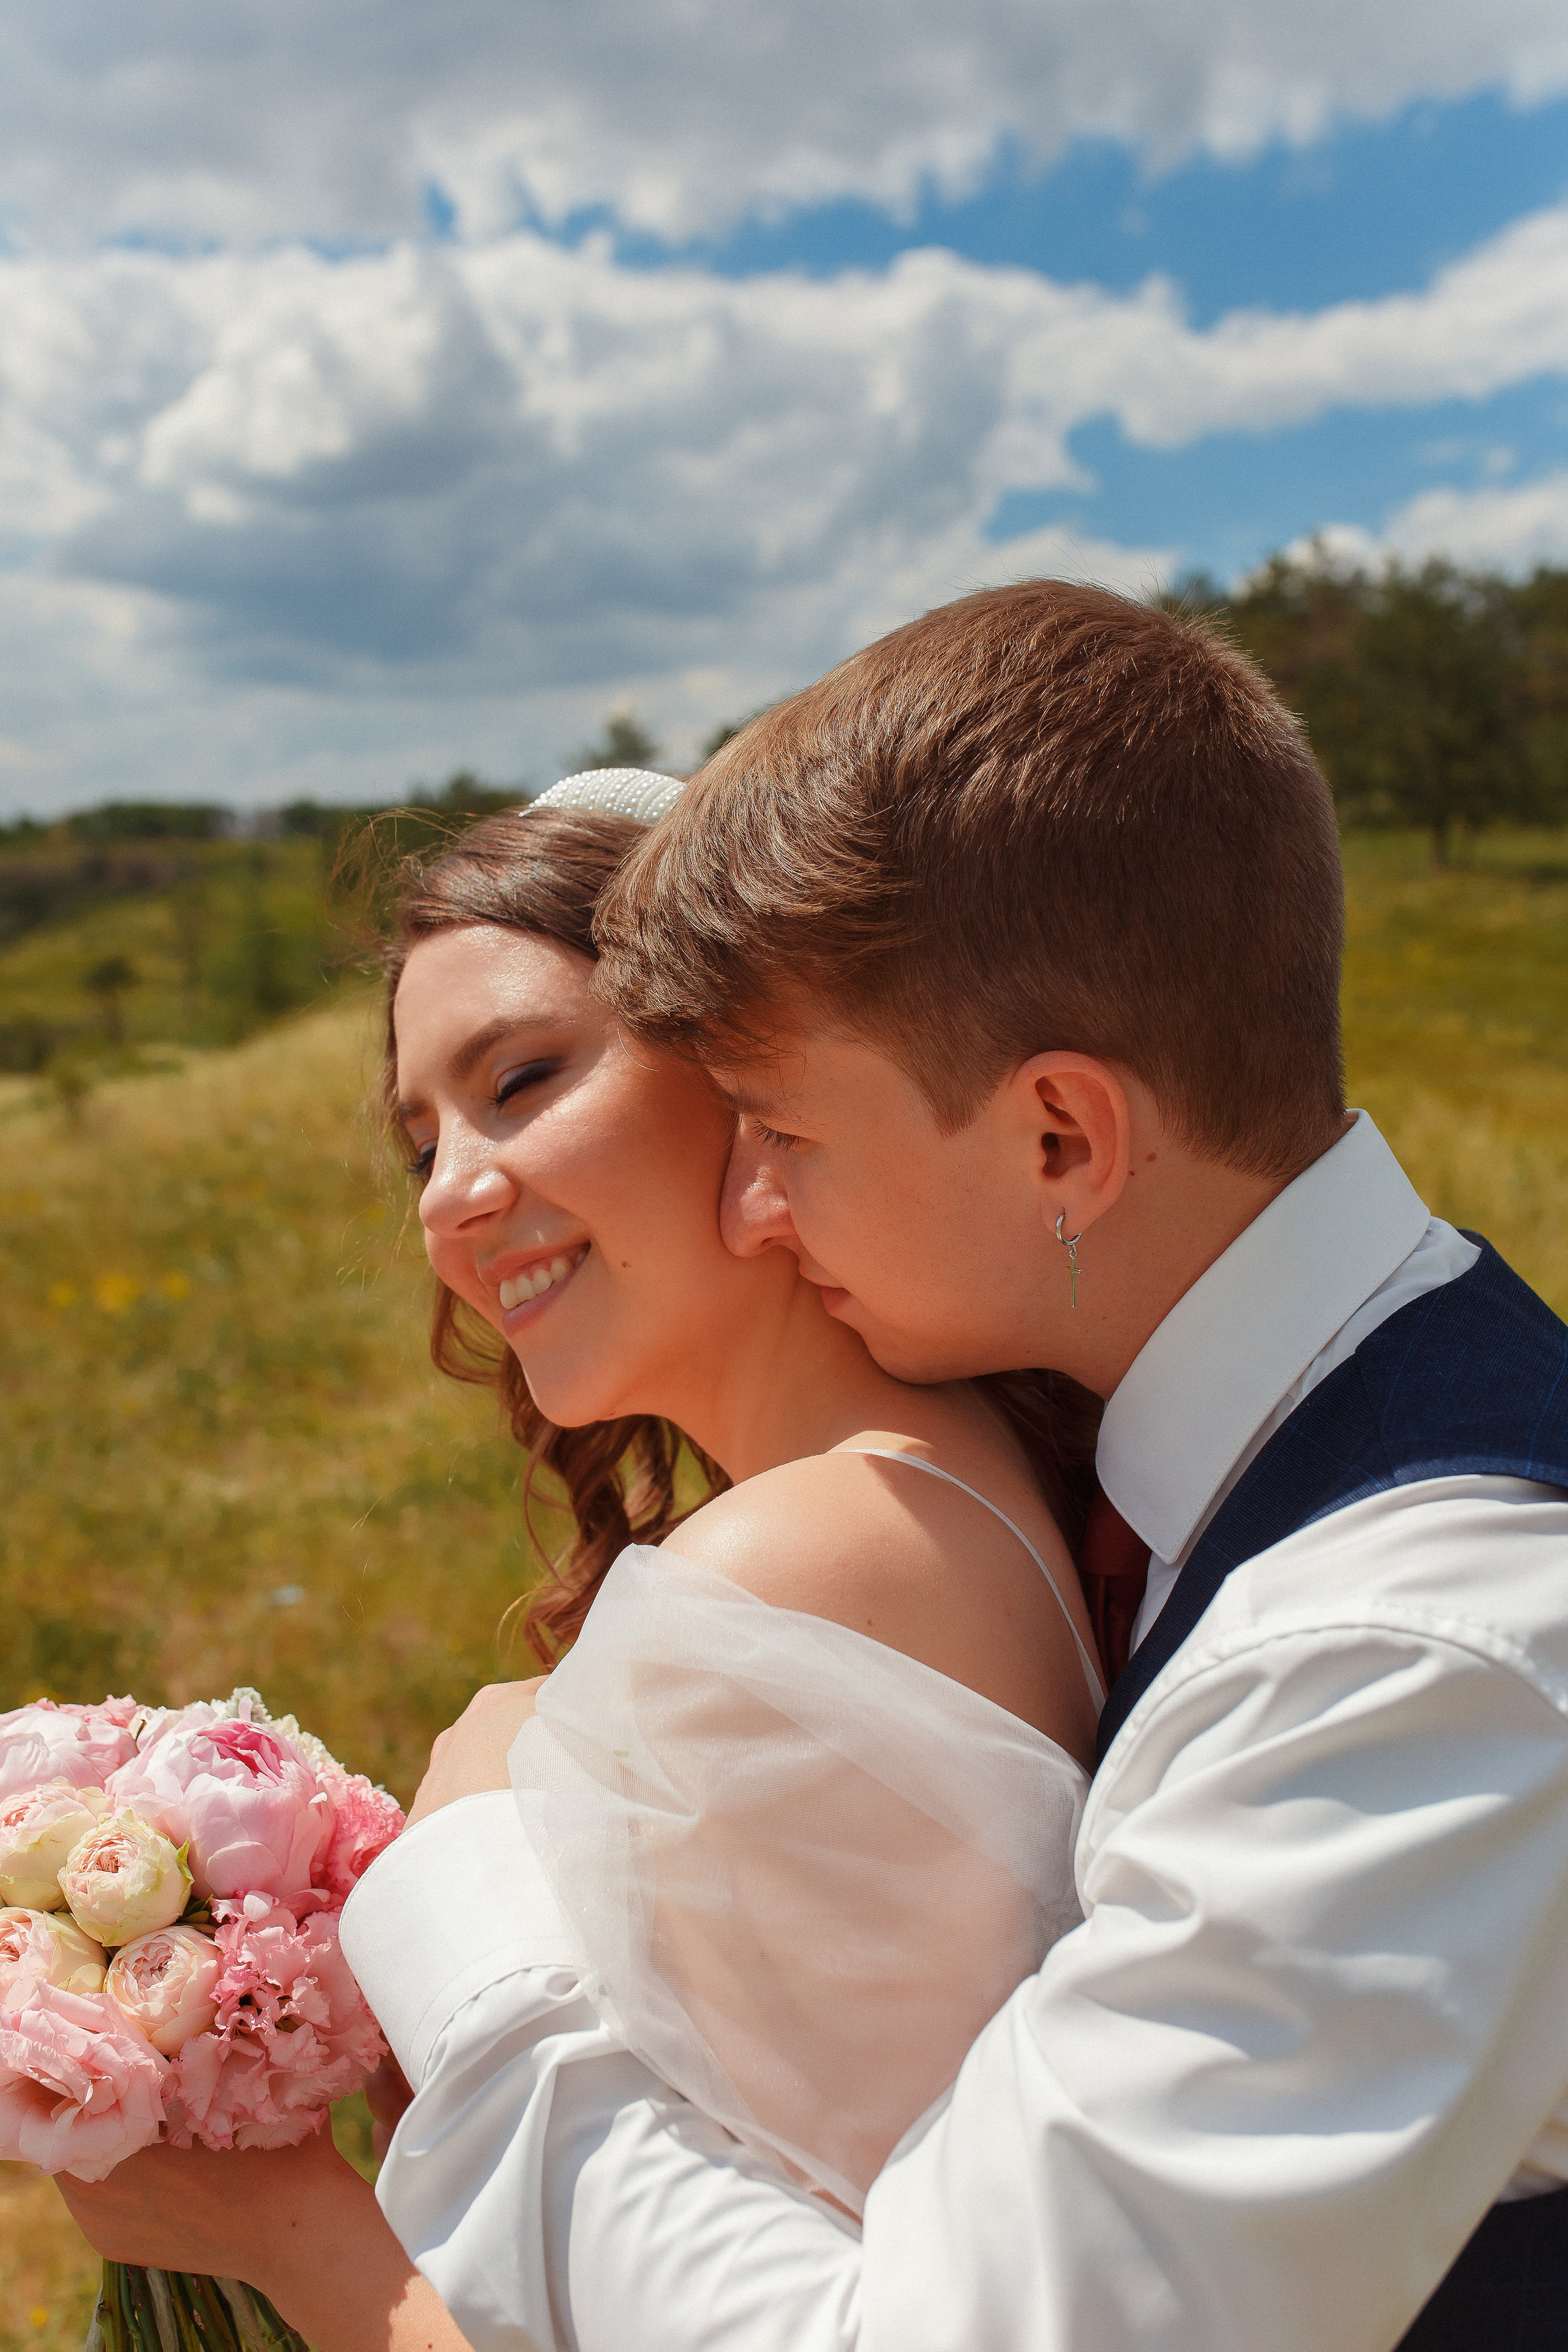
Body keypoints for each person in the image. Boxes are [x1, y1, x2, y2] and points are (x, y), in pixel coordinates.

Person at [344, 581, 1568, 2352]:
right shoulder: (1243, 1472)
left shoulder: (1401, 1659)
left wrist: (463, 1908)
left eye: (785, 1133)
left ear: (1062, 1136)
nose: (752, 1202)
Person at [56, 772, 1108, 2342]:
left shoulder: (793, 1564)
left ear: (753, 1070)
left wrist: (285, 2232)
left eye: (525, 1078)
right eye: (425, 1139)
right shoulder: (934, 1489)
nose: (453, 1196)